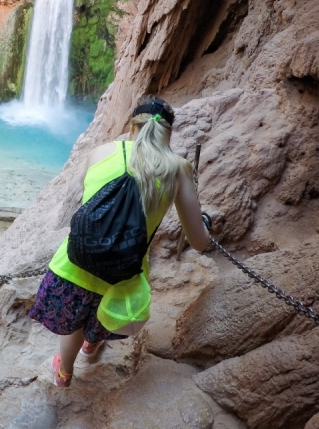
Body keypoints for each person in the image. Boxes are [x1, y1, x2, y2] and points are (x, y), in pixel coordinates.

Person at [28, 96, 210, 387]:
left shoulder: (102, 152)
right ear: (168, 133)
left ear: (132, 126)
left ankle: (64, 373)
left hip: (75, 263)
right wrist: (205, 227)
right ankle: (92, 345)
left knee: (74, 321)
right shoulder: (177, 169)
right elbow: (199, 242)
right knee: (103, 311)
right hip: (124, 276)